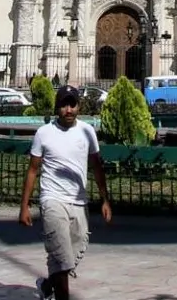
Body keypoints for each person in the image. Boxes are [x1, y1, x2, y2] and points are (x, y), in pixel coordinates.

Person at [19, 86, 111, 300]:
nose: (68, 110)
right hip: (52, 200)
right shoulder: (44, 133)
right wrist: (24, 206)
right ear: (56, 107)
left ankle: (47, 285)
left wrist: (105, 200)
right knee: (62, 258)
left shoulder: (87, 131)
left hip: (79, 201)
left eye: (72, 104)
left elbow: (97, 166)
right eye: (63, 105)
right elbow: (33, 169)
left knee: (73, 254)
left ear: (79, 106)